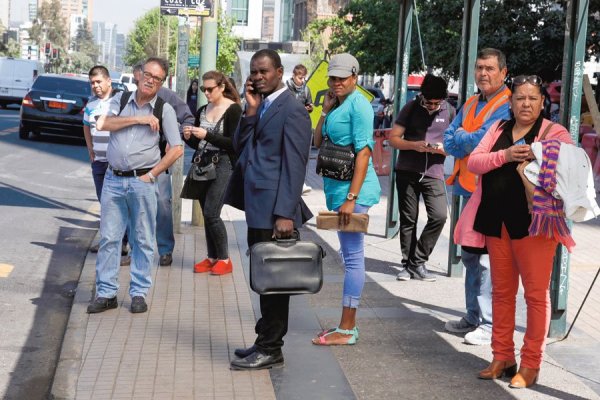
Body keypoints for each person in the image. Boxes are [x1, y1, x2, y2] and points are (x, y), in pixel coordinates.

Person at [468, 75, 573, 388]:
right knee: (500, 292)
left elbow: (561, 179)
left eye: (532, 98)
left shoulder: (556, 133)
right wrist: (506, 155)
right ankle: (502, 356)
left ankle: (530, 364)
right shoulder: (499, 128)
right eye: (519, 98)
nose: (525, 104)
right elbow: (474, 162)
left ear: (543, 102)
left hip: (536, 226)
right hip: (496, 222)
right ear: (510, 102)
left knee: (536, 296)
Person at [225, 49, 312, 370]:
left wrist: (285, 213)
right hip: (257, 206)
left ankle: (272, 348)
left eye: (264, 72)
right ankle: (264, 340)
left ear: (279, 72)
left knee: (275, 281)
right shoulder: (260, 106)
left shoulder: (292, 110)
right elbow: (239, 146)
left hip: (276, 211)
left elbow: (296, 164)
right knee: (263, 277)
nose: (258, 77)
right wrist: (249, 111)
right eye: (254, 72)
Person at [87, 57, 183, 314]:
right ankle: (107, 293)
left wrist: (152, 175)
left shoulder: (165, 109)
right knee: (109, 238)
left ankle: (138, 292)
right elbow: (103, 123)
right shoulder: (120, 99)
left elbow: (176, 149)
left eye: (157, 78)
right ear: (139, 75)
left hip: (142, 182)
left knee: (143, 240)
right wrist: (139, 120)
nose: (151, 80)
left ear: (162, 83)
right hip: (113, 179)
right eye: (148, 75)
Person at [311, 53, 381, 345]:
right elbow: (316, 142)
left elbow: (364, 152)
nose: (336, 82)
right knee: (349, 256)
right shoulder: (337, 104)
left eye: (342, 77)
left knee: (353, 259)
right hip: (338, 190)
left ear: (355, 77)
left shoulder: (360, 105)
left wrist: (352, 198)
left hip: (355, 192)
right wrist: (325, 112)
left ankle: (347, 329)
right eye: (333, 77)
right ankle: (345, 325)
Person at [443, 48, 511, 346]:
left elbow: (482, 140)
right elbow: (449, 140)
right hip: (467, 188)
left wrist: (462, 139)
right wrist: (463, 141)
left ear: (503, 72)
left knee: (486, 260)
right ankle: (473, 316)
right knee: (470, 256)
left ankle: (487, 323)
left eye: (490, 68)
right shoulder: (471, 102)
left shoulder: (507, 104)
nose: (483, 73)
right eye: (479, 67)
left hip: (491, 192)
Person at [389, 74, 454, 282]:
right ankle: (408, 266)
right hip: (407, 169)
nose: (432, 106)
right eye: (429, 102)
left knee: (440, 216)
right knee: (409, 219)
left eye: (437, 103)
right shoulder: (410, 107)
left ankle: (416, 261)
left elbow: (456, 143)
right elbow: (393, 139)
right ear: (421, 95)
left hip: (434, 172)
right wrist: (414, 145)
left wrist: (445, 150)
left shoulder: (450, 111)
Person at [132, 61, 194, 267]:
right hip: (132, 165)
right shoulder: (127, 99)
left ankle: (165, 249)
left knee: (162, 205)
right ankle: (134, 249)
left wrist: (174, 137)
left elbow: (187, 118)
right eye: (142, 76)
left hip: (159, 162)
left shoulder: (167, 98)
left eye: (154, 77)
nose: (146, 81)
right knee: (134, 207)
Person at [182, 71, 242, 275]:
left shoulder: (233, 110)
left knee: (211, 213)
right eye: (203, 89)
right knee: (206, 213)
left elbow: (234, 144)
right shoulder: (202, 110)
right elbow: (198, 143)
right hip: (203, 163)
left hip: (224, 163)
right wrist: (188, 136)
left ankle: (224, 259)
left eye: (210, 89)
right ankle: (212, 257)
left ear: (222, 87)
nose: (206, 93)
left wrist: (208, 134)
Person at [83, 65, 129, 261]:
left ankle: (121, 244)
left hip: (116, 164)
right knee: (105, 204)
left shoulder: (120, 101)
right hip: (99, 162)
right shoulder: (91, 104)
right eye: (92, 83)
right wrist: (90, 148)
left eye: (99, 82)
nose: (96, 86)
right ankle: (109, 242)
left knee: (117, 205)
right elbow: (86, 126)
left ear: (109, 81)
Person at [285, 63, 314, 195]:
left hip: (301, 126)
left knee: (302, 155)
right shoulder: (285, 88)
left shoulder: (306, 90)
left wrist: (309, 108)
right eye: (300, 78)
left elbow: (311, 105)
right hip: (287, 126)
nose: (302, 81)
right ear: (294, 76)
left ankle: (301, 182)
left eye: (304, 78)